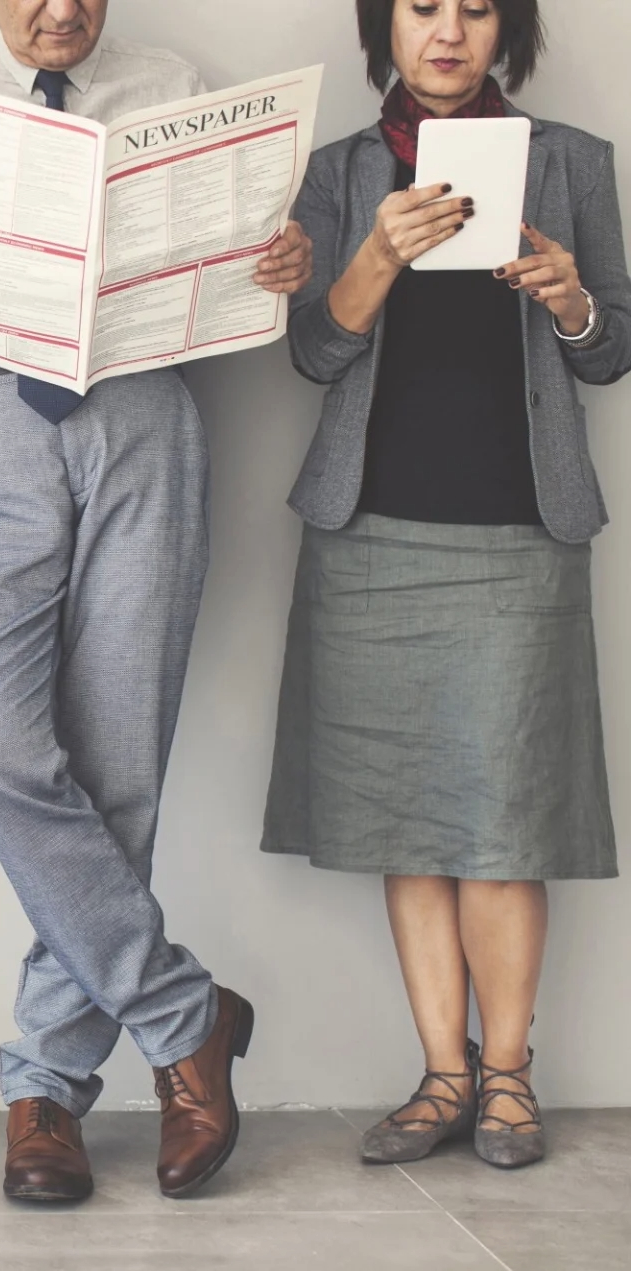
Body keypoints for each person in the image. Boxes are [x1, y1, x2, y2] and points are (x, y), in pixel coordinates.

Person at [0, 0, 314, 1202]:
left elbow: (235, 292)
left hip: (144, 415)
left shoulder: (172, 85)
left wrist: (277, 269)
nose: (61, 11)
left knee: (118, 767)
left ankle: (45, 1088)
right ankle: (184, 1012)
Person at [263, 0, 628, 1170]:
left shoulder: (571, 163)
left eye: (476, 9)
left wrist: (569, 296)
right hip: (369, 534)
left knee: (504, 823)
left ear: (503, 32)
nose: (450, 32)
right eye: (424, 8)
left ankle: (511, 1079)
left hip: (520, 529)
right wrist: (376, 251)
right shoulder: (340, 172)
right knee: (403, 820)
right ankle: (443, 1075)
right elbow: (314, 353)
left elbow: (614, 346)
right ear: (389, 29)